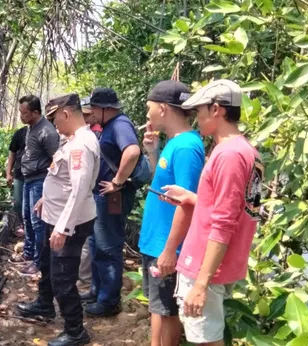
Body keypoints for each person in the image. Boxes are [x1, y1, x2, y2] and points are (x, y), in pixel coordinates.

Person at [161, 79, 262, 346]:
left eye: (199, 112)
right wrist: (194, 198)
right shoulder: (248, 152)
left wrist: (201, 285)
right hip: (221, 264)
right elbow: (239, 209)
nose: (196, 119)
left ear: (216, 109)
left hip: (205, 266)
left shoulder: (228, 155)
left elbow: (224, 223)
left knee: (207, 341)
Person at [16, 94, 99, 346]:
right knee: (47, 264)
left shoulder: (80, 145)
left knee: (63, 278)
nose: (53, 125)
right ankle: (44, 304)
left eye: (54, 119)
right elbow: (62, 180)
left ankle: (75, 331)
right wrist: (46, 200)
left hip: (69, 223)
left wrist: (63, 228)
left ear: (65, 114)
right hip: (55, 215)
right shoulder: (73, 140)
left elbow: (80, 189)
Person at [139, 81, 205, 346]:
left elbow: (186, 204)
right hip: (155, 243)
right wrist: (152, 153)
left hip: (166, 247)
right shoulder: (173, 143)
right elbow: (165, 187)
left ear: (163, 109)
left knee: (168, 312)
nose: (147, 113)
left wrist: (170, 250)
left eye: (149, 107)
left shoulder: (187, 147)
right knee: (158, 307)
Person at [83, 87, 142, 317]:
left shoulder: (120, 124)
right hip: (103, 196)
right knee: (96, 244)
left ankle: (109, 301)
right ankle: (98, 291)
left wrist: (117, 182)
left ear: (106, 109)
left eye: (95, 108)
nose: (93, 112)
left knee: (108, 247)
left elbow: (133, 151)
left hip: (112, 197)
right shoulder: (110, 125)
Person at [17, 95, 60, 276]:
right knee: (27, 218)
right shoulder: (31, 128)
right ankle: (28, 253)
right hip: (28, 179)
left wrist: (49, 186)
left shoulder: (47, 132)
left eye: (24, 113)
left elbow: (57, 159)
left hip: (40, 180)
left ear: (35, 112)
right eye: (20, 112)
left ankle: (39, 261)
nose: (21, 116)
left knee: (38, 222)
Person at [78, 97, 101, 285]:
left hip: (93, 193)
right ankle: (87, 277)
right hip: (91, 193)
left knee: (89, 239)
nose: (85, 118)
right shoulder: (90, 134)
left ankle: (86, 277)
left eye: (87, 114)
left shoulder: (92, 136)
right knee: (88, 240)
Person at [6, 125, 28, 239]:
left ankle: (29, 228)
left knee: (31, 204)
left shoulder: (44, 131)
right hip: (19, 174)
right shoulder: (20, 133)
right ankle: (22, 224)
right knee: (18, 203)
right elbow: (12, 154)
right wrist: (8, 173)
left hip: (36, 176)